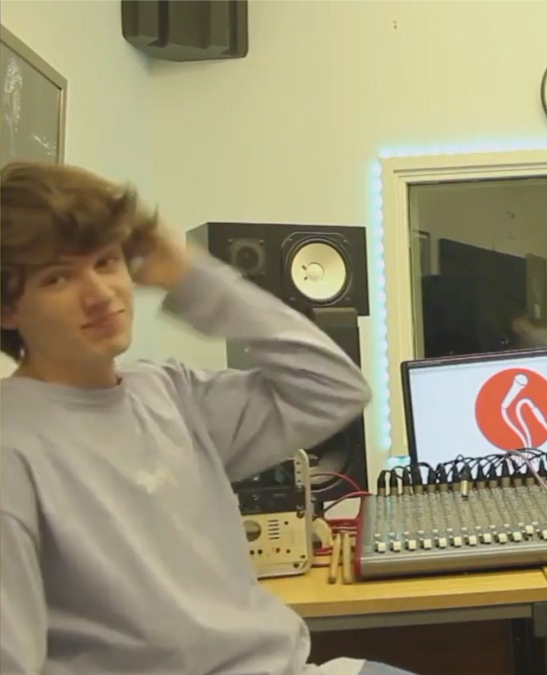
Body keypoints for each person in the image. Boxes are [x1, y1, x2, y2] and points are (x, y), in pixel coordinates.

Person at [0, 162, 413, 675]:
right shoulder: (11, 447)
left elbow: (334, 390)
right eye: (58, 277)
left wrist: (189, 273)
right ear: (7, 310)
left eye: (106, 262)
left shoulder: (171, 392)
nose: (101, 294)